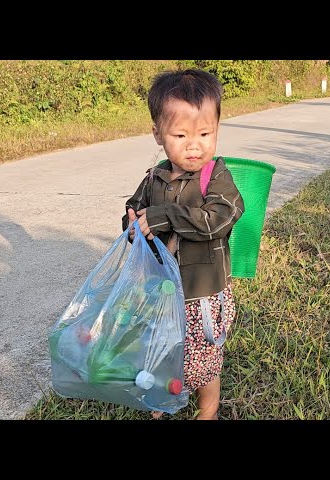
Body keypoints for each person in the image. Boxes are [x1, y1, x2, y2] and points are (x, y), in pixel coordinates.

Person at [121, 69, 245, 420]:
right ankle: (161, 401)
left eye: (206, 133)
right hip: (160, 291)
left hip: (200, 294)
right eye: (181, 134)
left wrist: (167, 217)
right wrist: (132, 224)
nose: (195, 145)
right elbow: (135, 211)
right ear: (158, 134)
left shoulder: (215, 176)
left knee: (203, 360)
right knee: (161, 350)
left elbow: (219, 218)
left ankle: (208, 408)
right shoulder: (153, 177)